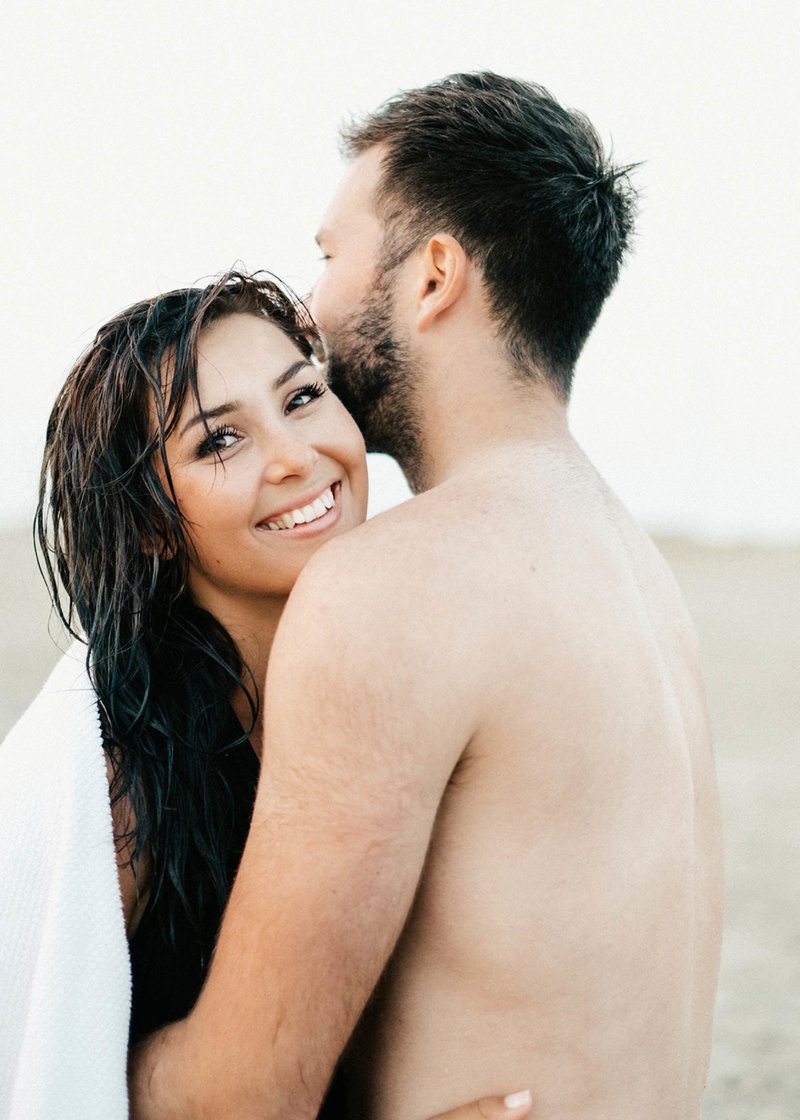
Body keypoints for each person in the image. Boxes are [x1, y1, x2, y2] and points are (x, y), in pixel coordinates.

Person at [130, 72, 724, 1120]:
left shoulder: (395, 588)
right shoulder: (634, 574)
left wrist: (58, 1031)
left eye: (329, 254)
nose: (309, 313)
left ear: (433, 274)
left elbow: (237, 1098)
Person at [0, 270, 533, 1120]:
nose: (294, 456)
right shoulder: (115, 757)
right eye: (220, 442)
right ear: (147, 525)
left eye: (303, 398)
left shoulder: (406, 674)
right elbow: (54, 1067)